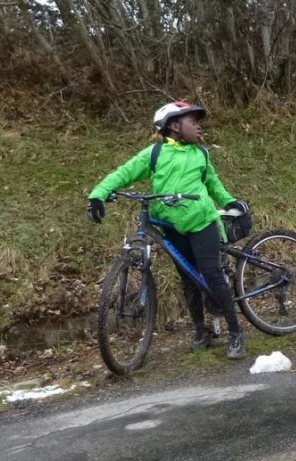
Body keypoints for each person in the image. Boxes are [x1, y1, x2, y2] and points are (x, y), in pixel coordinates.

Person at [86, 100, 250, 359]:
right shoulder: (155, 154)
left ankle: (235, 332)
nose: (199, 128)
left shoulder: (201, 154)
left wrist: (229, 201)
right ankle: (201, 331)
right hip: (171, 225)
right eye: (192, 122)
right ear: (175, 125)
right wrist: (98, 194)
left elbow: (213, 184)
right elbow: (124, 173)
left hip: (201, 221)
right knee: (187, 278)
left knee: (211, 273)